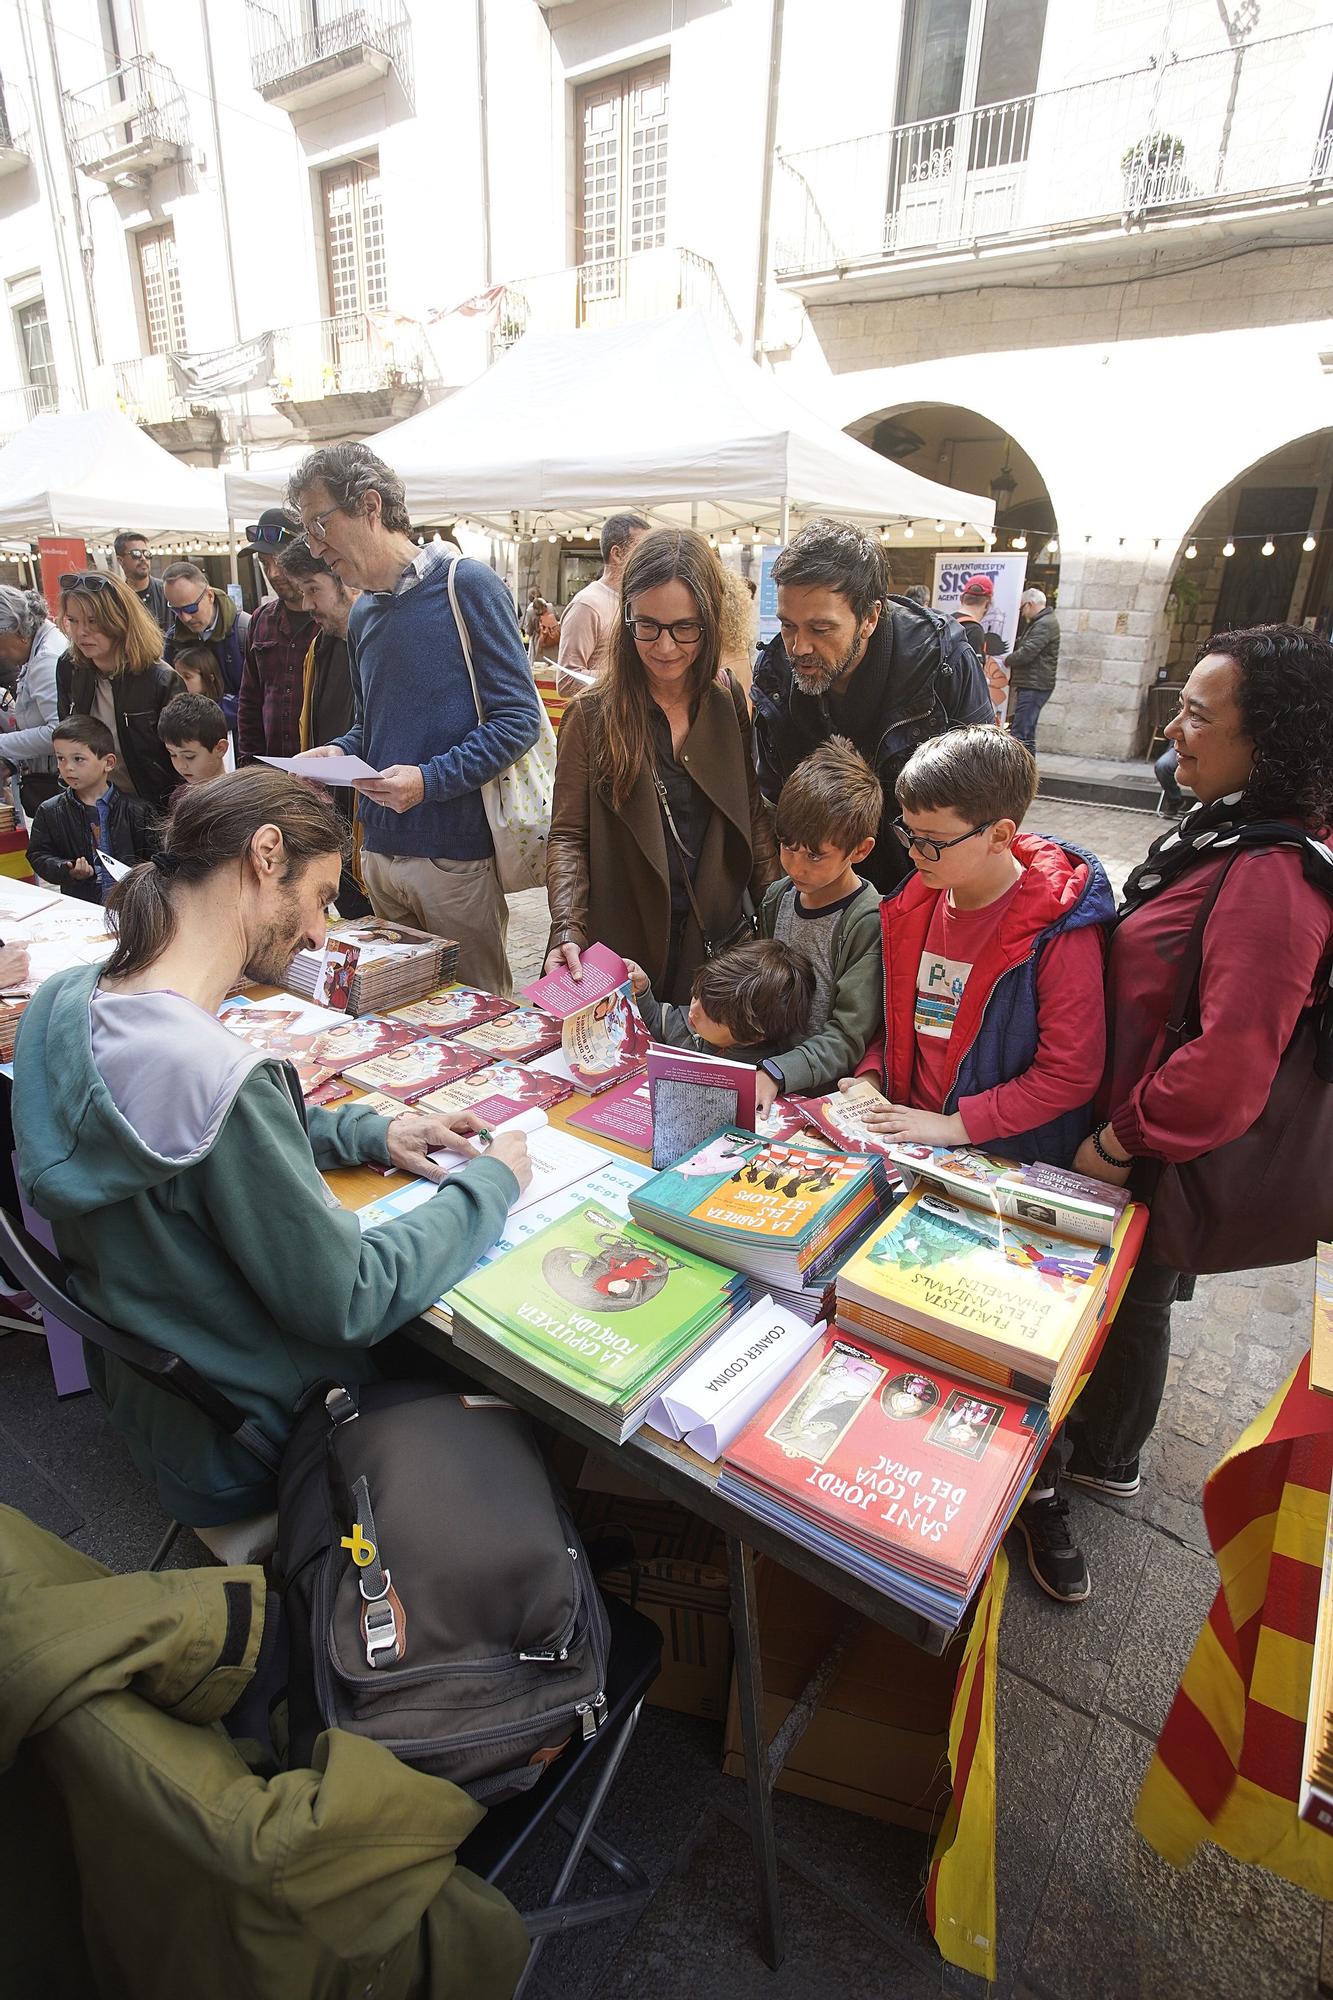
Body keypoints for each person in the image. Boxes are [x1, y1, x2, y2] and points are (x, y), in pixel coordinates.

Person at [11, 767, 532, 1531]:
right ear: (264, 856)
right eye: (322, 898)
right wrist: (489, 1185)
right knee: (493, 1364)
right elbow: (350, 1297)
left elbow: (199, 1147)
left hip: (170, 1409)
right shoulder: (218, 1077)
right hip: (266, 1436)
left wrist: (368, 1130)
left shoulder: (65, 1001)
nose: (322, 932)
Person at [1063, 624, 1333, 1536]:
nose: (1171, 729)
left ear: (1266, 743)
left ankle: (1105, 1460)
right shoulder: (1231, 832)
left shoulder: (1270, 878)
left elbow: (1224, 1074)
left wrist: (1115, 1140)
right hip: (1150, 1136)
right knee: (1145, 1290)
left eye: (1195, 713)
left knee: (1137, 1296)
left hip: (1156, 1146)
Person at [847, 724, 1113, 1606]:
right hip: (917, 1141)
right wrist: (871, 1079)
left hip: (1005, 1162)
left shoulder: (1054, 931)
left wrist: (949, 1126)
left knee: (1012, 1351)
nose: (913, 853)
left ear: (1001, 833)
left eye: (932, 838)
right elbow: (897, 1018)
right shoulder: (918, 899)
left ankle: (1038, 1493)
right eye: (905, 834)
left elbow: (1069, 1074)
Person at [290, 442, 542, 994]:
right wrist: (339, 750)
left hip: (454, 854)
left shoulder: (465, 585)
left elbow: (518, 717)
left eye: (319, 524)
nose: (315, 545)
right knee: (401, 1013)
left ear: (370, 504)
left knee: (481, 1018)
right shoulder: (363, 613)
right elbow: (370, 727)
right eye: (307, 530)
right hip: (379, 852)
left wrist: (429, 781)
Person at [545, 526, 781, 1004]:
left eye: (685, 628)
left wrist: (779, 917)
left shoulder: (725, 700)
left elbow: (750, 811)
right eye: (647, 626)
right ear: (625, 616)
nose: (666, 647)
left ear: (710, 622)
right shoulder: (592, 715)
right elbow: (568, 835)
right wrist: (567, 927)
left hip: (715, 944)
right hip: (621, 952)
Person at [751, 518, 992, 897]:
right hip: (818, 897)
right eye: (787, 626)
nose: (798, 647)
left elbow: (984, 804)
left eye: (821, 629)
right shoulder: (776, 673)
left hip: (921, 893)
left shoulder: (941, 661)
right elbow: (770, 805)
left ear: (870, 618)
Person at [751, 737, 884, 1113]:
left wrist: (778, 1072)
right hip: (768, 1085)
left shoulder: (867, 921)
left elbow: (847, 1035)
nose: (795, 866)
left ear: (860, 849)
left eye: (814, 855)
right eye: (786, 846)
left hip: (827, 1098)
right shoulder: (778, 898)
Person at [274, 535, 370, 917]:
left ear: (346, 580)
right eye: (302, 591)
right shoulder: (322, 645)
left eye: (313, 589)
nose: (306, 604)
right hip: (335, 832)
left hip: (375, 837)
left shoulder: (378, 644)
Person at [56, 571, 182, 811]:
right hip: (91, 806)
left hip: (152, 809)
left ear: (119, 620)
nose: (81, 632)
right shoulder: (69, 667)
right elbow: (65, 737)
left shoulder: (160, 679)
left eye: (92, 621)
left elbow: (180, 762)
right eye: (72, 620)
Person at [27, 716, 157, 903]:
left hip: (132, 907)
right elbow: (38, 854)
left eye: (78, 759)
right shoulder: (51, 811)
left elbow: (154, 860)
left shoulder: (138, 810)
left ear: (109, 763)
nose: (68, 767)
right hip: (82, 905)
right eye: (61, 758)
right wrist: (66, 868)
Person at [624, 935, 815, 1060]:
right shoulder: (684, 1024)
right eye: (696, 994)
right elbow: (655, 1021)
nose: (693, 1010)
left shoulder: (764, 1068)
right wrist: (642, 992)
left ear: (753, 1035)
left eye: (713, 1016)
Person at [236, 509, 316, 764]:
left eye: (279, 561)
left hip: (325, 769)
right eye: (264, 563)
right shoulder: (260, 620)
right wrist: (249, 765)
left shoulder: (331, 619)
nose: (272, 573)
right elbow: (249, 702)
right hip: (272, 771)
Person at [556, 513, 650, 680]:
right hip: (601, 706)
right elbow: (567, 680)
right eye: (641, 550)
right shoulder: (586, 604)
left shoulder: (636, 600)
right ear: (617, 554)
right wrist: (628, 678)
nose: (648, 558)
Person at [161, 563, 249, 737]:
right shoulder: (174, 639)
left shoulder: (246, 630)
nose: (185, 617)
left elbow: (257, 698)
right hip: (194, 738)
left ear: (209, 595)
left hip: (241, 739)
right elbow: (168, 694)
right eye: (176, 610)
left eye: (191, 608)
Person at [0, 583, 65, 815]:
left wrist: (3, 745)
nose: (1, 654)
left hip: (53, 784)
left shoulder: (46, 658)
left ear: (17, 632)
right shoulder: (41, 649)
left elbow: (58, 732)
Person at [1005, 587, 1060, 754]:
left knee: (1020, 732)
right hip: (1035, 682)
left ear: (1029, 604)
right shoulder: (1042, 622)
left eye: (1022, 608)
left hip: (1034, 684)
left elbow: (1027, 652)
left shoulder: (1044, 623)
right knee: (1026, 732)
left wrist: (1006, 659)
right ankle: (1027, 773)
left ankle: (1019, 774)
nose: (1022, 613)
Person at [954, 574, 1009, 726]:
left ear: (962, 598)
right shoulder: (974, 630)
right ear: (987, 603)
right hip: (963, 708)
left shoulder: (946, 620)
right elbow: (975, 677)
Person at [158, 692, 230, 791]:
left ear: (220, 748)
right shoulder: (178, 796)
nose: (180, 766)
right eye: (172, 754)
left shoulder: (240, 802)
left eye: (189, 756)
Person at [113, 531, 168, 632]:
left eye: (146, 553)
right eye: (136, 554)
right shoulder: (115, 597)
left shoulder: (166, 591)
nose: (143, 558)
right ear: (120, 560)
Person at [168, 641, 227, 705]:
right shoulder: (171, 707)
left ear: (209, 679)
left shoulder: (229, 710)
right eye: (177, 676)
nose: (179, 682)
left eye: (187, 677)